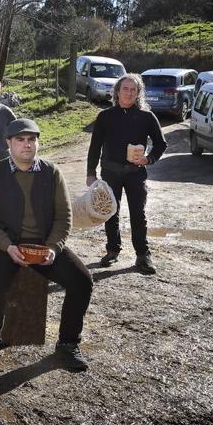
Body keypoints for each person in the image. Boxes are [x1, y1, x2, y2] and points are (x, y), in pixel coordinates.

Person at [0, 118, 94, 371]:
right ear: (8, 143)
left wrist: (53, 247)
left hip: (43, 244)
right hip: (8, 245)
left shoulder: (52, 172)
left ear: (37, 142)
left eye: (31, 140)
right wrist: (6, 246)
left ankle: (68, 344)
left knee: (82, 281)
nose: (27, 145)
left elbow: (64, 216)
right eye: (20, 140)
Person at [86, 73, 167, 275]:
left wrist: (149, 159)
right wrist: (90, 173)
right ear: (117, 92)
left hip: (135, 172)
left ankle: (143, 255)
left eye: (133, 90)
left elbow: (161, 144)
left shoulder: (146, 117)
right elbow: (94, 147)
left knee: (138, 214)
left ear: (138, 93)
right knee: (110, 211)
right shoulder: (105, 116)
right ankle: (113, 250)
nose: (129, 93)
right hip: (110, 171)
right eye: (125, 89)